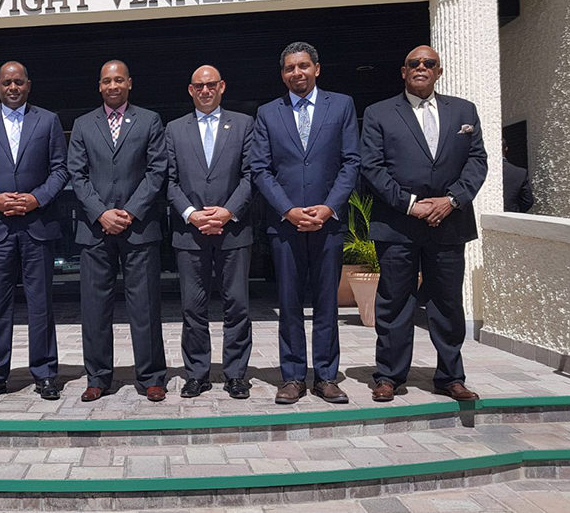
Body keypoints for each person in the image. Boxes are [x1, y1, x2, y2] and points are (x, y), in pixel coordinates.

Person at [360, 45, 487, 402]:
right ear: (403, 72)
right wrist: (410, 205)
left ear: (438, 71)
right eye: (413, 63)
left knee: (447, 303)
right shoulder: (378, 113)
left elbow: (477, 161)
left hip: (449, 222)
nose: (421, 67)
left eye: (428, 63)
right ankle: (389, 375)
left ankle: (450, 377)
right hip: (398, 224)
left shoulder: (464, 111)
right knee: (394, 302)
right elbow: (372, 167)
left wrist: (452, 200)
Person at [251, 42, 360, 405]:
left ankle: (326, 377)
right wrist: (288, 210)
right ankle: (293, 377)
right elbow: (261, 169)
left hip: (328, 224)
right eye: (289, 68)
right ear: (282, 74)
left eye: (302, 66)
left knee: (327, 303)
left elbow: (351, 162)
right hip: (286, 226)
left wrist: (328, 208)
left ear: (317, 68)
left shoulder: (341, 105)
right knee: (289, 303)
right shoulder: (268, 113)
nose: (296, 73)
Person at [0, 61, 69, 402]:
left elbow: (60, 169)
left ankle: (45, 373)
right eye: (7, 82)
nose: (13, 87)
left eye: (19, 82)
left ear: (28, 85)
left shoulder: (48, 120)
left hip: (37, 225)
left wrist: (36, 198)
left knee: (41, 306)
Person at [67, 60, 169, 402]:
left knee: (145, 307)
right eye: (107, 81)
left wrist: (129, 211)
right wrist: (101, 213)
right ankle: (97, 377)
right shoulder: (83, 124)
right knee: (95, 309)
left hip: (138, 227)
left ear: (129, 83)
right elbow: (77, 174)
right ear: (99, 86)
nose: (113, 86)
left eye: (119, 80)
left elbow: (157, 171)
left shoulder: (149, 120)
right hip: (95, 230)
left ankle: (151, 377)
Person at [165, 65, 255, 399]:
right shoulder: (174, 129)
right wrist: (191, 214)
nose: (205, 90)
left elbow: (251, 175)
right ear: (191, 90)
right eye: (199, 86)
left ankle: (236, 375)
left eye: (211, 85)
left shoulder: (243, 124)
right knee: (193, 307)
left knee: (237, 306)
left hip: (233, 231)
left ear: (222, 87)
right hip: (190, 232)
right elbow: (168, 180)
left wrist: (228, 212)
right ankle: (197, 374)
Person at [502, 139, 534, 213]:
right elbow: (528, 201)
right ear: (506, 149)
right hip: (511, 214)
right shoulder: (520, 173)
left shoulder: (481, 169)